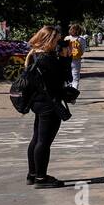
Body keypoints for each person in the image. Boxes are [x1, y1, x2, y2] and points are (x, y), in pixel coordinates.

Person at [24, 26, 77, 189]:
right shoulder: (48, 59)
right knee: (44, 141)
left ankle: (33, 174)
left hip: (38, 101)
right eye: (56, 40)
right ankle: (41, 178)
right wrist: (67, 58)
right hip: (49, 103)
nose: (57, 43)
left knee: (36, 138)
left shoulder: (34, 55)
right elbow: (64, 78)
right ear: (49, 40)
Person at [63, 23, 85, 90]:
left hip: (66, 59)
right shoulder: (81, 39)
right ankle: (73, 96)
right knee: (75, 79)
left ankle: (67, 94)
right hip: (76, 60)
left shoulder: (67, 38)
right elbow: (83, 50)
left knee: (67, 78)